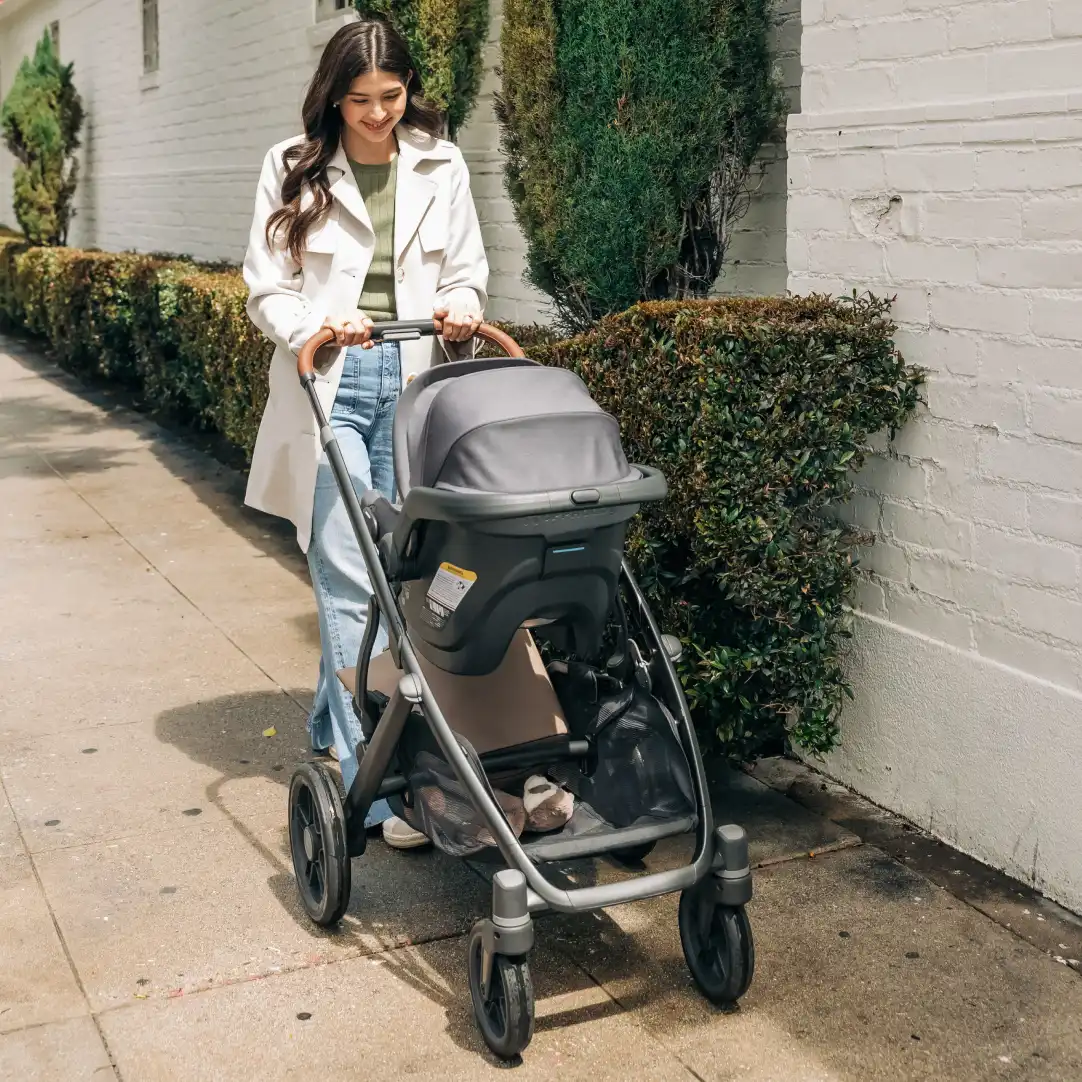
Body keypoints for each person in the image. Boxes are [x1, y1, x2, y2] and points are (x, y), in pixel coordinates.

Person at [242, 19, 488, 849]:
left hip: (417, 385)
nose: (378, 115)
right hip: (331, 383)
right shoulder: (290, 166)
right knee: (350, 576)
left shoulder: (442, 163)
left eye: (392, 97)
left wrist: (464, 305)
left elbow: (466, 270)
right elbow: (263, 289)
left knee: (402, 572)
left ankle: (332, 710)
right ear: (332, 96)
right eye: (360, 101)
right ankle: (378, 788)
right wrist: (320, 322)